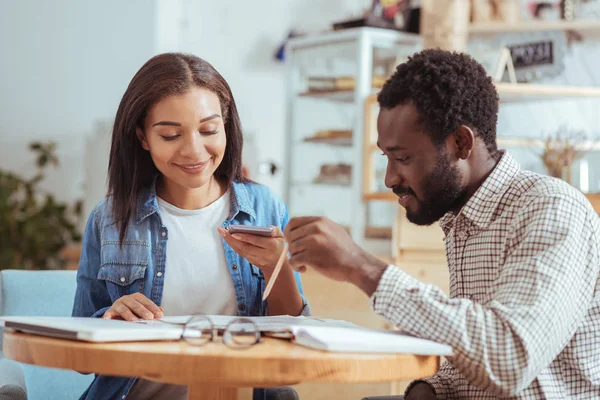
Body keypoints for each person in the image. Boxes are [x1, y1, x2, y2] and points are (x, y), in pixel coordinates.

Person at [283, 49, 600, 399]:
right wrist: (430, 390)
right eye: (386, 157)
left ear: (460, 143)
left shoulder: (551, 209)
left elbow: (508, 359)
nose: (389, 179)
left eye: (402, 158)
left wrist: (362, 267)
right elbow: (471, 356)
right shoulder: (460, 218)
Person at [72, 53, 307, 400]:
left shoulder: (265, 208)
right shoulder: (109, 218)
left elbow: (295, 338)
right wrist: (109, 321)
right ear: (142, 137)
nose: (194, 150)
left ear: (226, 125)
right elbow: (81, 357)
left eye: (209, 130)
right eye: (170, 135)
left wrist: (278, 266)